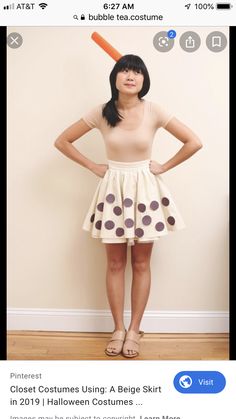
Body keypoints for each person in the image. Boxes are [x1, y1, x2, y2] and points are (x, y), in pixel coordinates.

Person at [54, 54, 202, 358]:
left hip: (145, 189)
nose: (130, 76)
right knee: (114, 263)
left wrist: (165, 166)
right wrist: (93, 166)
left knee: (141, 263)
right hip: (113, 190)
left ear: (144, 79)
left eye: (136, 72)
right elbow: (63, 141)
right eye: (124, 71)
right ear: (115, 78)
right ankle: (118, 329)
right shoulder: (101, 112)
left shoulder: (155, 110)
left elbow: (193, 142)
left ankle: (135, 330)